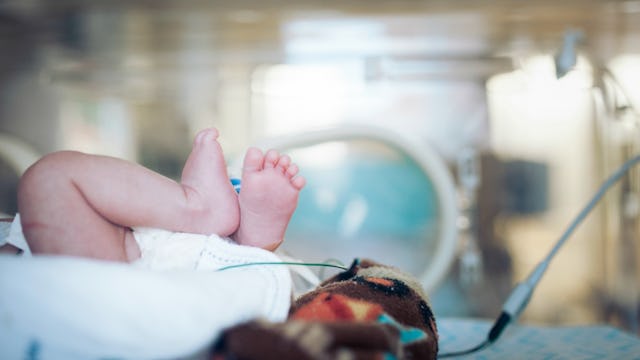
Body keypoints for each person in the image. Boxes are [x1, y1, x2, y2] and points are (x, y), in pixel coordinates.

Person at [14, 127, 306, 262]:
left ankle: (247, 248)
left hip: (38, 264)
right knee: (52, 178)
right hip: (91, 286)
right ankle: (196, 207)